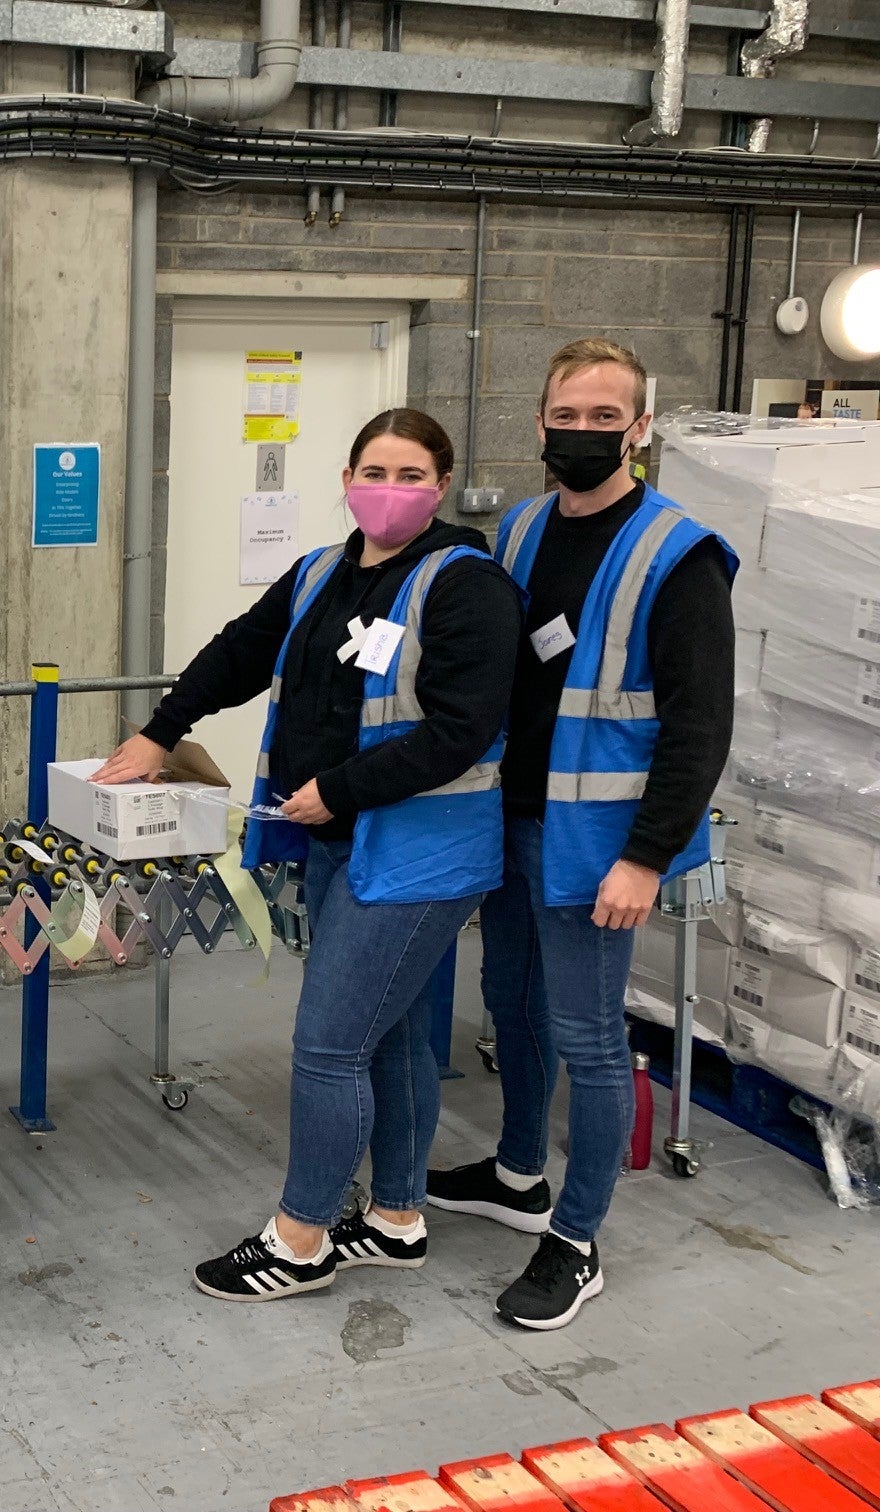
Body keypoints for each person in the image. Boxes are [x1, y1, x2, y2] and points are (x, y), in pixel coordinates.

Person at [95, 409, 523, 1303]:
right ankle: (398, 1218)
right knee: (395, 1031)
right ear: (346, 478)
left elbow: (460, 729)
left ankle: (301, 1240)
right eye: (374, 469)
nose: (389, 489)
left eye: (411, 475)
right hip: (342, 841)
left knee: (329, 1045)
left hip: (419, 854)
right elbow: (239, 653)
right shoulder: (324, 571)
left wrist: (340, 788)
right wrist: (158, 733)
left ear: (442, 486)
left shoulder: (465, 583)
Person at [426, 339, 736, 1331]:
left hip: (602, 848)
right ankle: (520, 1172)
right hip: (513, 824)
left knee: (591, 1040)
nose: (587, 431)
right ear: (541, 420)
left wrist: (646, 856)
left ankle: (578, 1236)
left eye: (609, 417)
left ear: (642, 427)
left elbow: (700, 727)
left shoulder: (677, 555)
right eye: (571, 413)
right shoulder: (517, 532)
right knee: (509, 1008)